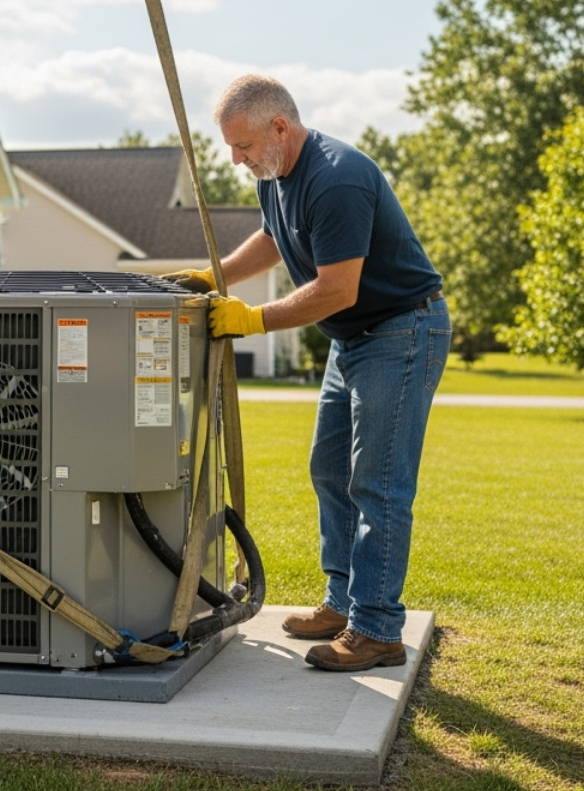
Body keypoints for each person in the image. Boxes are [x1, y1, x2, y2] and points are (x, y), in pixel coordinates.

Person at [167, 74, 450, 672]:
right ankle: (344, 605)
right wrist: (213, 277)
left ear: (279, 126)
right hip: (353, 342)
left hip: (400, 332)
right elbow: (273, 240)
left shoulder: (336, 177)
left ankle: (376, 630)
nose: (237, 160)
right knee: (329, 470)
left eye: (242, 147)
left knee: (379, 484)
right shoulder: (279, 176)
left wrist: (251, 319)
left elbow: (337, 290)